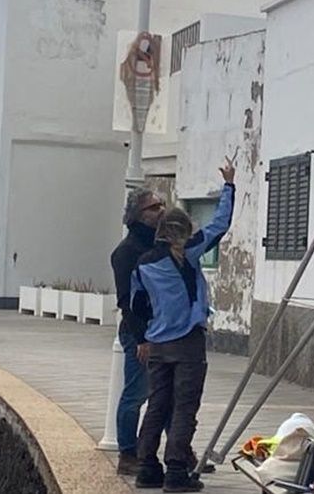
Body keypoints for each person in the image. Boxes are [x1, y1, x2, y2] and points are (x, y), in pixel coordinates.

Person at [127, 158, 235, 492]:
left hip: (157, 344)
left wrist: (142, 338)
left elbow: (136, 307)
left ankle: (147, 467)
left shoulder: (142, 264)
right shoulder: (187, 253)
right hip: (187, 342)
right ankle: (176, 471)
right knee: (185, 406)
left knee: (157, 404)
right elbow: (219, 226)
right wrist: (229, 185)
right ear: (183, 232)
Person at [110, 187, 165, 475]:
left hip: (164, 329)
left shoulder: (159, 247)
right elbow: (126, 301)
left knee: (166, 392)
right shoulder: (127, 252)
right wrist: (141, 338)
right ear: (139, 214)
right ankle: (127, 452)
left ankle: (178, 451)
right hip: (140, 333)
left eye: (162, 206)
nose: (161, 211)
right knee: (135, 394)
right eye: (155, 207)